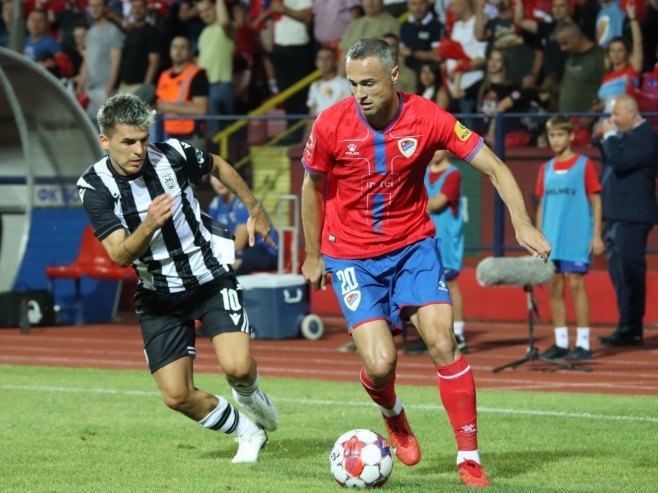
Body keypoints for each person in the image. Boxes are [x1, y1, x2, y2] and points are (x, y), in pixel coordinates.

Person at [301, 37, 551, 487]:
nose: (359, 93)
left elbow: (494, 166)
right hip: (352, 256)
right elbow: (311, 187)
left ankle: (469, 457)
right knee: (380, 365)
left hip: (412, 247)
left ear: (394, 76)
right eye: (353, 83)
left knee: (442, 341)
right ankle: (393, 414)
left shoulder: (428, 117)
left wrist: (522, 223)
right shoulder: (330, 124)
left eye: (369, 82)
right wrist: (312, 253)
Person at [76, 93, 279, 463]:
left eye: (143, 139)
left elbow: (217, 165)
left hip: (209, 279)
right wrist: (150, 223)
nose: (139, 149)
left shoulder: (172, 154)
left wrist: (255, 207)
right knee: (176, 395)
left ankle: (249, 393)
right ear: (104, 141)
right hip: (159, 296)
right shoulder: (94, 187)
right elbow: (120, 255)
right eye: (128, 142)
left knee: (237, 368)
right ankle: (248, 432)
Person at [535, 115, 605, 361]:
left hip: (576, 236)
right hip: (552, 240)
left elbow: (596, 200)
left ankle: (583, 344)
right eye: (552, 135)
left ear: (571, 136)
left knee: (576, 285)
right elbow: (542, 204)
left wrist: (596, 235)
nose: (555, 140)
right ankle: (561, 342)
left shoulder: (584, 164)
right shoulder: (546, 168)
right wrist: (537, 238)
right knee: (554, 287)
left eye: (560, 135)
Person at [597, 94, 658, 346]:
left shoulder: (645, 137)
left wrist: (610, 137)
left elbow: (620, 163)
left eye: (616, 114)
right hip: (617, 215)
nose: (613, 120)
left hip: (632, 215)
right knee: (619, 273)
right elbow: (610, 159)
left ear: (632, 113)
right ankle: (626, 325)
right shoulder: (626, 136)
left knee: (630, 273)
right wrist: (606, 137)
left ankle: (632, 328)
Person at [405, 150, 468, 356]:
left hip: (446, 238)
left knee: (450, 282)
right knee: (425, 286)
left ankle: (458, 333)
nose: (434, 152)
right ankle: (431, 334)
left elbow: (437, 203)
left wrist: (407, 206)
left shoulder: (453, 173)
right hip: (422, 237)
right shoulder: (422, 172)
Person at [208, 176, 279, 274]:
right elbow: (211, 238)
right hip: (242, 252)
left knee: (227, 266)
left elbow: (238, 245)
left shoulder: (244, 203)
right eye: (215, 176)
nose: (220, 181)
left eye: (222, 175)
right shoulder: (215, 204)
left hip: (265, 252)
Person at [155, 36, 209, 150]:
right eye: (175, 47)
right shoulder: (164, 75)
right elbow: (158, 106)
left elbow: (200, 110)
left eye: (183, 47)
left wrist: (167, 107)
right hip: (168, 136)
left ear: (189, 52)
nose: (178, 51)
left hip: (192, 137)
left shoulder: (197, 74)